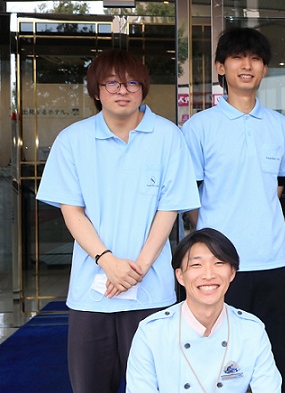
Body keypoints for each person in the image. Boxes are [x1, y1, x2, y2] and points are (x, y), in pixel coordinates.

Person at [36, 49, 200, 393]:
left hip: (150, 292)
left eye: (131, 83)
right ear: (96, 91)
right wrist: (107, 261)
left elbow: (168, 210)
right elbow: (72, 211)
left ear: (144, 88)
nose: (122, 90)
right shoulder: (73, 140)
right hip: (91, 293)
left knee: (157, 386)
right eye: (111, 83)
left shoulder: (168, 136)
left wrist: (137, 268)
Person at [181, 27, 285, 392]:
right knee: (217, 361)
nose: (247, 65)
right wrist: (213, 242)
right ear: (220, 67)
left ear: (265, 70)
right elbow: (190, 200)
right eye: (238, 58)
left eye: (256, 59)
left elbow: (280, 185)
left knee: (272, 358)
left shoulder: (279, 126)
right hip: (221, 266)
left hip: (274, 260)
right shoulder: (198, 128)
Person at [126, 228, 282, 392]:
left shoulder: (251, 331)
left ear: (232, 273)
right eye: (196, 265)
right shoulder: (152, 332)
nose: (208, 274)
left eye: (219, 263)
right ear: (180, 276)